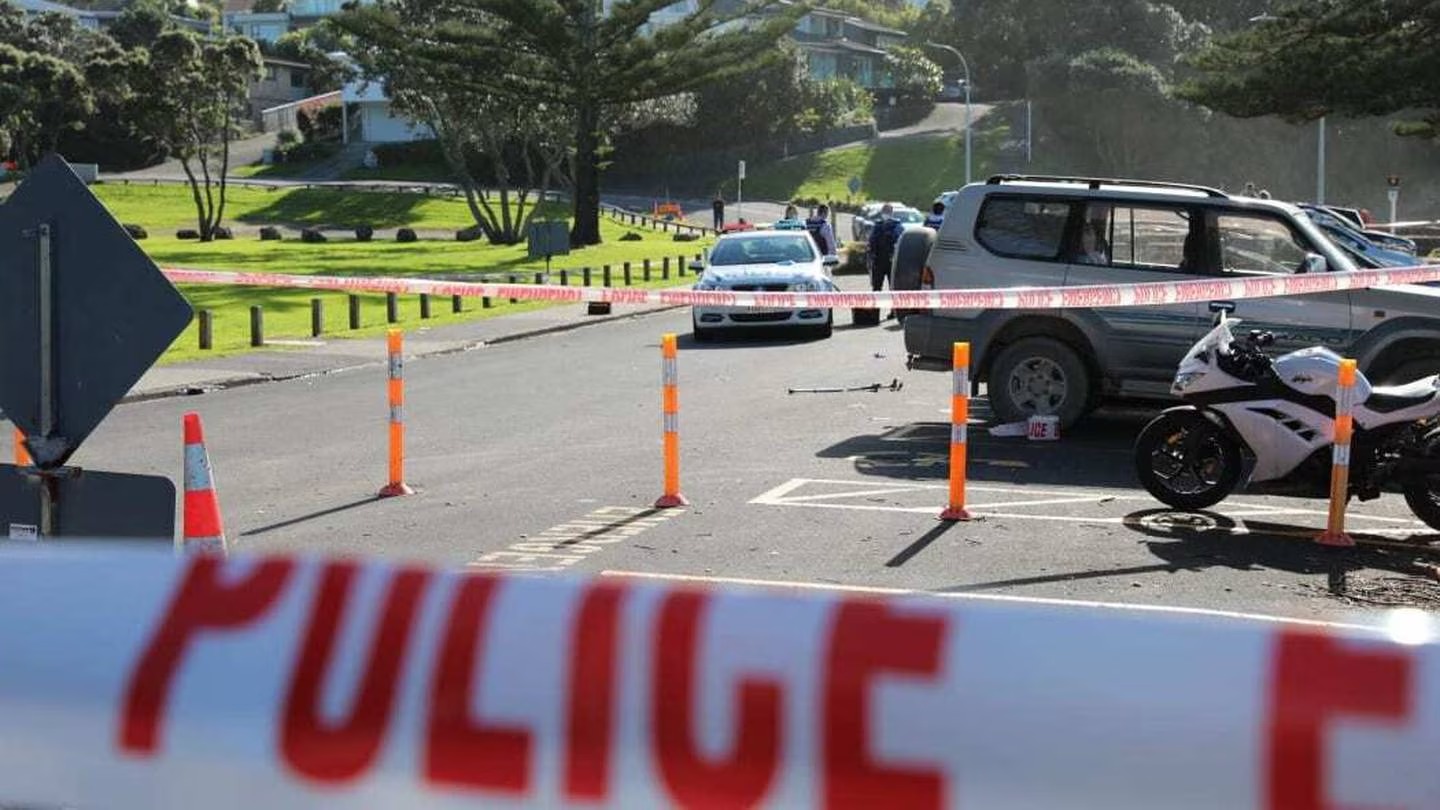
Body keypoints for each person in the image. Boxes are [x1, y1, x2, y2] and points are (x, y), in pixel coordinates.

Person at [866, 203, 904, 292]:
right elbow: (871, 243)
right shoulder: (878, 226)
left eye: (887, 211)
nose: (885, 213)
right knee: (877, 287)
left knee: (893, 287)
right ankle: (877, 305)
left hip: (891, 260)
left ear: (891, 212)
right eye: (885, 211)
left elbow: (901, 242)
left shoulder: (897, 226)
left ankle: (894, 305)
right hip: (879, 260)